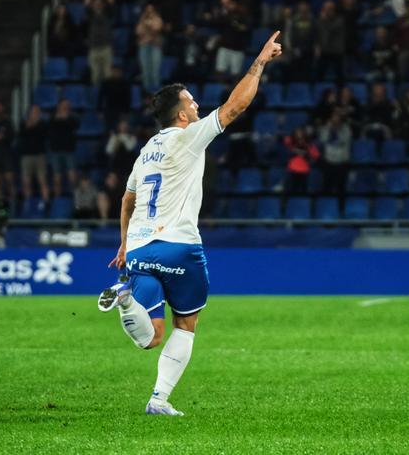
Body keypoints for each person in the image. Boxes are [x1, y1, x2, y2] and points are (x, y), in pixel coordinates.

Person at [97, 31, 283, 416]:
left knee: (151, 337)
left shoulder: (146, 151)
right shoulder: (188, 138)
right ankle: (159, 397)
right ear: (181, 115)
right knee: (186, 323)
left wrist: (123, 244)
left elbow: (127, 199)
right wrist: (260, 62)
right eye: (192, 101)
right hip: (178, 244)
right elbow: (235, 107)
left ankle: (127, 301)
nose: (198, 105)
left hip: (138, 248)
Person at [84, 0, 115, 86]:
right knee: (95, 77)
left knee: (108, 77)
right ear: (93, 5)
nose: (97, 4)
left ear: (102, 4)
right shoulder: (90, 14)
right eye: (95, 3)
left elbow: (111, 0)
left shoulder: (107, 12)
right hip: (93, 48)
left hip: (106, 47)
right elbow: (86, 1)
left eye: (100, 3)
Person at [19, 105, 51, 205]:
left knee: (42, 181)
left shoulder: (43, 124)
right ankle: (27, 204)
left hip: (40, 156)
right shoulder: (23, 124)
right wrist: (30, 125)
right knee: (26, 182)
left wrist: (34, 125)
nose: (35, 113)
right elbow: (21, 135)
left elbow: (45, 135)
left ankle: (46, 204)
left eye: (37, 111)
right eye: (34, 111)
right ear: (29, 113)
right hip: (26, 156)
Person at [48, 99, 79, 195]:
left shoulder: (72, 118)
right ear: (59, 106)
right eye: (64, 105)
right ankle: (58, 198)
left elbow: (75, 125)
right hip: (55, 150)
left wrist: (66, 117)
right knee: (57, 177)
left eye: (67, 105)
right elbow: (50, 128)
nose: (66, 107)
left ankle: (75, 196)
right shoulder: (52, 117)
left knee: (72, 176)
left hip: (69, 150)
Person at [135, 3, 164, 91]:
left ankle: (157, 95)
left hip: (155, 46)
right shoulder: (142, 20)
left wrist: (148, 27)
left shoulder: (158, 19)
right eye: (148, 10)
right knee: (145, 72)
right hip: (144, 46)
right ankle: (146, 95)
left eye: (151, 10)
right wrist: (145, 22)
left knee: (155, 71)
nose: (149, 12)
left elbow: (157, 28)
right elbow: (138, 31)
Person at [283, 127, 319, 194]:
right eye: (297, 133)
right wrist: (296, 150)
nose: (299, 135)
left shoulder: (309, 145)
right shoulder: (291, 142)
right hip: (292, 170)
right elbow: (286, 140)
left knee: (303, 192)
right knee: (291, 191)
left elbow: (316, 155)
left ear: (304, 134)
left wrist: (307, 154)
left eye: (301, 133)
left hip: (304, 171)